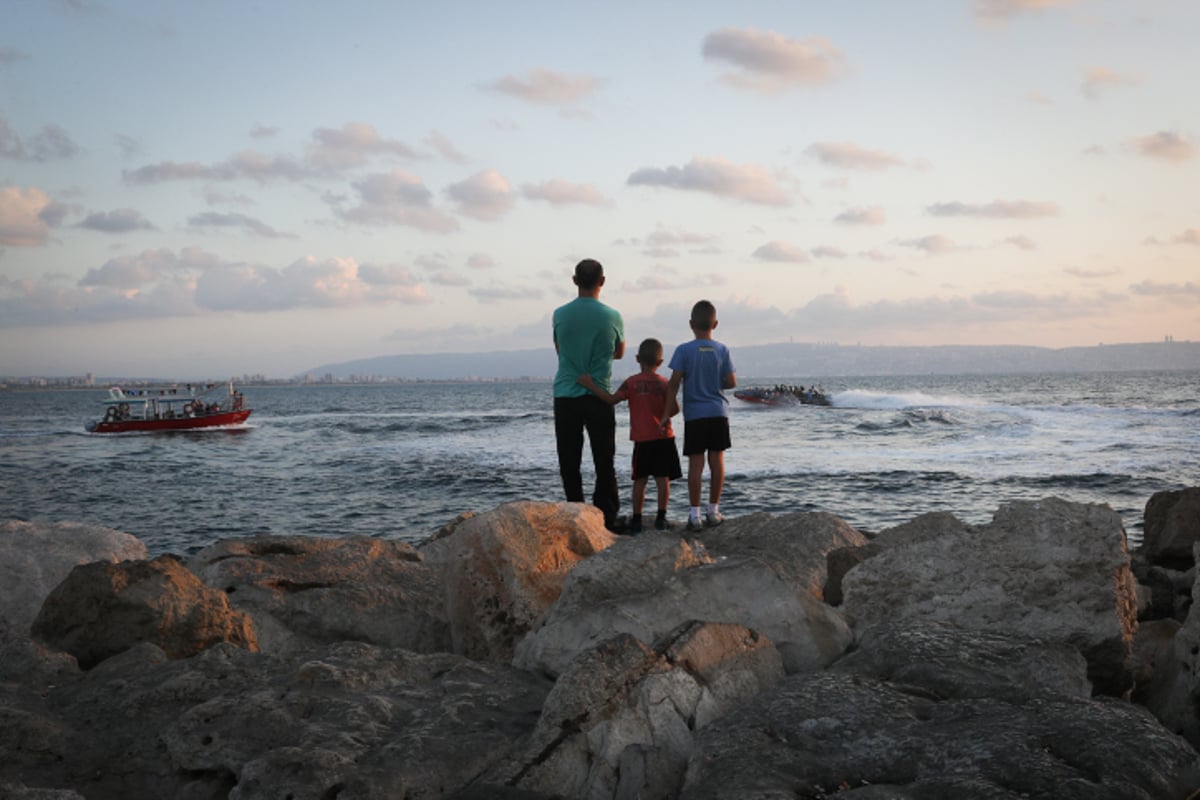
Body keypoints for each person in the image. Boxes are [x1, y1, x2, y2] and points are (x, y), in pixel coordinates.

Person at [578, 338, 682, 534]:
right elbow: (675, 409)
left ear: (637, 359)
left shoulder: (631, 383)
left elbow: (610, 400)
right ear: (660, 362)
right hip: (663, 437)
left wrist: (590, 385)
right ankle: (661, 517)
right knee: (663, 479)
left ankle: (636, 519)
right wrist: (661, 416)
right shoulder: (664, 383)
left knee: (640, 480)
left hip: (642, 439)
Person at [552, 258, 626, 531]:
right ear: (602, 281)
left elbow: (560, 349)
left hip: (566, 394)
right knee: (603, 458)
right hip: (599, 395)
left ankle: (576, 514)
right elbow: (619, 353)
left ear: (574, 281)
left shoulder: (559, 314)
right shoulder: (612, 316)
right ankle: (607, 517)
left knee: (569, 460)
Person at [661, 300, 736, 532]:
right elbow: (732, 382)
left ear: (691, 324)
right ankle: (713, 511)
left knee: (696, 464)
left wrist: (667, 412)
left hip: (694, 415)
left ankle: (694, 515)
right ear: (715, 324)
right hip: (717, 412)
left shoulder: (684, 350)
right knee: (717, 461)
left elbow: (673, 384)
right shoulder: (722, 350)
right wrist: (715, 382)